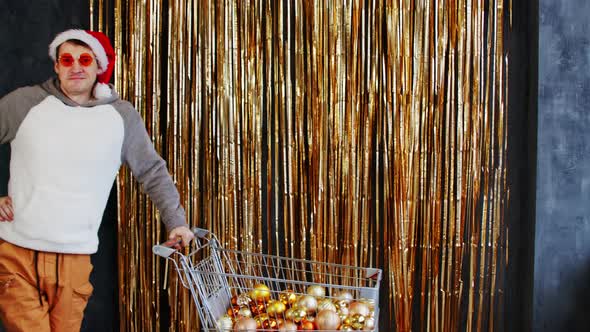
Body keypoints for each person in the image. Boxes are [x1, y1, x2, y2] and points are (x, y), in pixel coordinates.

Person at [0, 29, 194, 332]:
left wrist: (177, 221)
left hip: (75, 257)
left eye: (85, 59)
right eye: (67, 59)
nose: (75, 67)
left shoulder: (121, 117)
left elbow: (153, 172)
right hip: (17, 252)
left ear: (98, 66)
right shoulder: (24, 103)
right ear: (56, 66)